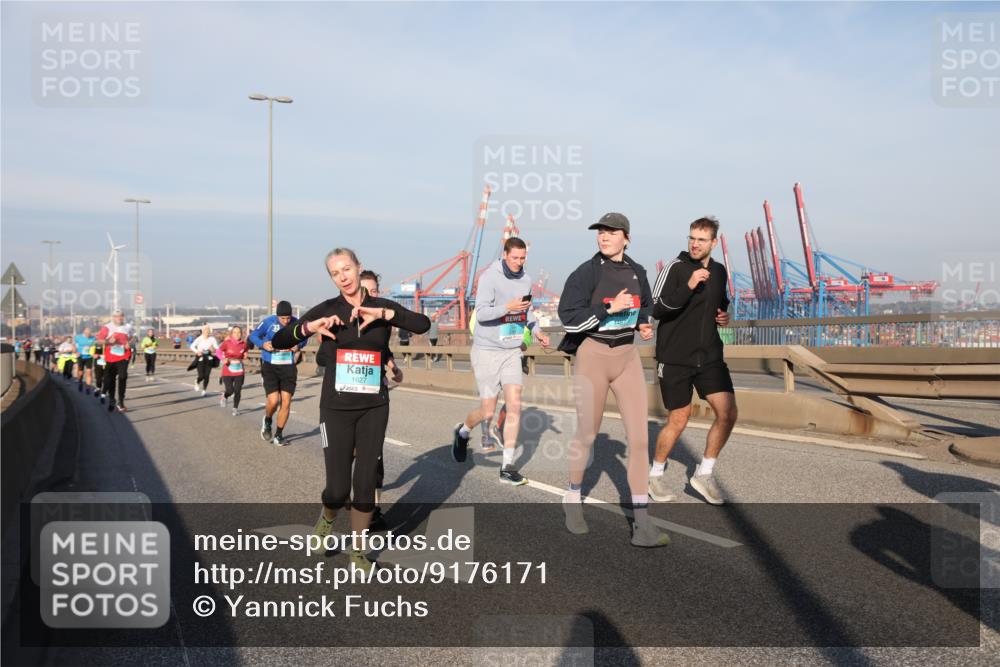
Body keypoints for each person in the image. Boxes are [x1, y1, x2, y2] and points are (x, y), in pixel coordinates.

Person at [271, 247, 429, 568]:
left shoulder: (382, 306)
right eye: (335, 273)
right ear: (332, 277)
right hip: (336, 408)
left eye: (347, 269)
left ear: (358, 268)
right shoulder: (327, 309)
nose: (343, 277)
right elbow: (280, 340)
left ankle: (358, 549)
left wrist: (384, 315)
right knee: (338, 487)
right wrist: (308, 328)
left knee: (365, 481)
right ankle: (327, 518)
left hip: (374, 406)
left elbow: (422, 323)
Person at [556, 212, 668, 547]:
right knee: (588, 433)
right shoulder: (586, 273)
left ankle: (642, 524)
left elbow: (645, 307)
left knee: (638, 441)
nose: (604, 237)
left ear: (626, 238)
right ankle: (573, 498)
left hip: (627, 357)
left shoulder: (637, 271)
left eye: (611, 232)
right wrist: (608, 307)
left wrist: (644, 324)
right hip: (593, 355)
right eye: (600, 233)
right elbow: (569, 319)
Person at [648, 216, 737, 506]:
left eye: (701, 240)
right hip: (675, 357)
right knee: (679, 419)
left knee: (728, 413)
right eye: (692, 238)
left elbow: (720, 305)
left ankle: (704, 473)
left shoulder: (720, 271)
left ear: (714, 243)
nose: (695, 244)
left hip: (709, 355)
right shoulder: (676, 268)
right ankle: (655, 475)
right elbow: (657, 308)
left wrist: (724, 316)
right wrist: (688, 285)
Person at [451, 237, 550, 486]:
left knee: (515, 404)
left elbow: (526, 312)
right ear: (505, 255)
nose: (519, 262)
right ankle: (462, 431)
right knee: (487, 411)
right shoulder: (489, 278)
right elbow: (481, 314)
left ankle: (507, 467)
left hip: (511, 350)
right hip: (486, 351)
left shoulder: (526, 280)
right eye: (515, 258)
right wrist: (507, 307)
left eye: (523, 258)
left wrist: (537, 331)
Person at [358, 269, 402, 531]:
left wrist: (393, 367)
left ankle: (374, 511)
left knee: (375, 456)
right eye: (367, 291)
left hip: (377, 392)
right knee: (351, 458)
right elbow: (323, 357)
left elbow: (384, 349)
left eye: (375, 291)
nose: (372, 295)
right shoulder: (344, 320)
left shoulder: (382, 322)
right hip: (348, 398)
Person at [249, 301, 309, 446]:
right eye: (283, 318)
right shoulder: (268, 322)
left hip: (288, 366)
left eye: (288, 318)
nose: (286, 321)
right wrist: (263, 344)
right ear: (277, 316)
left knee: (286, 401)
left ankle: (279, 435)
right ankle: (268, 419)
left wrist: (298, 345)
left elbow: (305, 337)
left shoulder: (296, 323)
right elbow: (253, 335)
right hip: (270, 365)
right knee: (274, 400)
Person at [97, 310, 135, 413]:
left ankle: (121, 401)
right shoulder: (107, 327)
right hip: (110, 357)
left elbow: (133, 338)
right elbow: (99, 341)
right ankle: (112, 399)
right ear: (113, 317)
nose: (119, 318)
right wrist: (107, 341)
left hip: (124, 355)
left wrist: (130, 343)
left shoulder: (128, 327)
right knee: (111, 379)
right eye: (117, 316)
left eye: (121, 316)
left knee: (123, 376)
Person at [217, 326, 247, 416]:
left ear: (241, 334)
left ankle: (235, 408)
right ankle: (224, 396)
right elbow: (218, 351)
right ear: (232, 334)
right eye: (235, 332)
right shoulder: (227, 343)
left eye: (239, 332)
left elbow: (245, 351)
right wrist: (223, 359)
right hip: (228, 370)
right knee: (230, 390)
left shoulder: (244, 344)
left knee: (238, 390)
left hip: (239, 370)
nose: (237, 334)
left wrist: (245, 355)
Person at [189, 326, 219, 396]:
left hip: (209, 358)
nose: (207, 331)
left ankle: (204, 390)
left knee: (207, 375)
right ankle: (197, 381)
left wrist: (219, 351)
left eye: (208, 330)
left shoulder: (212, 339)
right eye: (205, 330)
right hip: (201, 358)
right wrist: (197, 351)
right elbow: (192, 346)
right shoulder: (199, 339)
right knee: (201, 375)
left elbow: (216, 347)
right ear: (202, 331)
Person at [74, 327, 97, 393]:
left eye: (89, 333)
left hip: (89, 357)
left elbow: (95, 347)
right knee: (80, 372)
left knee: (89, 372)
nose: (88, 334)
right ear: (84, 332)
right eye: (87, 333)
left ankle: (88, 387)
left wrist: (95, 354)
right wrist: (76, 352)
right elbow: (74, 345)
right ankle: (80, 382)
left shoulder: (93, 338)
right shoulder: (78, 337)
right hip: (80, 356)